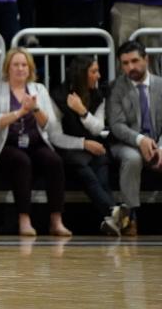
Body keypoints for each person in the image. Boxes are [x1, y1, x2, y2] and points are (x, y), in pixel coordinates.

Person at [0, 48, 73, 237]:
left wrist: (35, 108)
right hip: (6, 145)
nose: (20, 69)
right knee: (22, 161)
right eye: (16, 65)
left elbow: (50, 124)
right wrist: (20, 112)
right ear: (8, 68)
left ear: (30, 69)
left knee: (54, 161)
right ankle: (24, 219)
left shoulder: (39, 89)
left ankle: (56, 220)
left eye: (24, 65)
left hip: (35, 142)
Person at [49, 56, 129, 236]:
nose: (99, 76)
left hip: (93, 144)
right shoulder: (58, 95)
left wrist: (82, 111)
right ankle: (113, 213)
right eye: (94, 72)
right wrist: (83, 144)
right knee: (87, 174)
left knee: (102, 172)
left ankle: (111, 222)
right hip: (68, 148)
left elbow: (98, 128)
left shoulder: (98, 95)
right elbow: (55, 136)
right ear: (81, 74)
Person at [107, 41, 162, 236]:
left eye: (135, 61)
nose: (130, 67)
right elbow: (116, 125)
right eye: (125, 63)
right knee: (133, 158)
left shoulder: (160, 85)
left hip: (157, 141)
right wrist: (140, 140)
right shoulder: (116, 88)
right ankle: (129, 219)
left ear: (146, 59)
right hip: (125, 143)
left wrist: (161, 147)